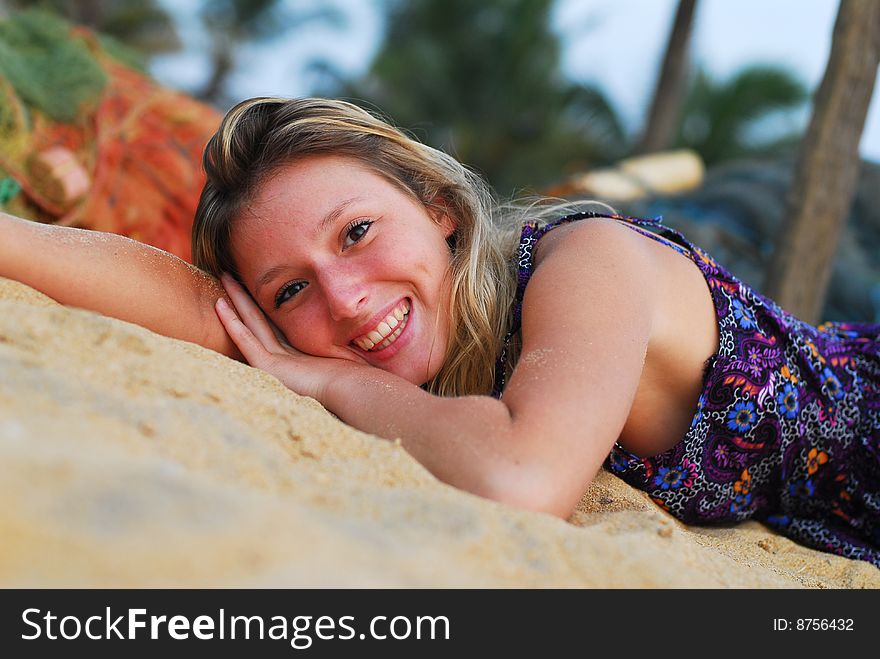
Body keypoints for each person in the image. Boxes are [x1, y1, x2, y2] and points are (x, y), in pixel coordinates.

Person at [2, 97, 878, 569]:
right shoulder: (377, 334)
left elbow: (520, 473)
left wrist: (343, 385)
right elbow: (201, 310)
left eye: (357, 232)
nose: (344, 301)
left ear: (441, 209)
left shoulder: (587, 258)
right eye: (293, 287)